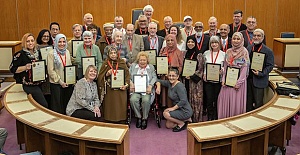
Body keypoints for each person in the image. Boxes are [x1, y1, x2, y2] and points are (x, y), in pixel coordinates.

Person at [9, 33, 48, 108]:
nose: (30, 43)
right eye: (28, 41)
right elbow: (12, 69)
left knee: (37, 104)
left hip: (40, 83)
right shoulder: (20, 55)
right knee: (44, 105)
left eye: (32, 41)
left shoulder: (38, 53)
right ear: (24, 42)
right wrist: (25, 67)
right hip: (29, 85)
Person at [217, 32, 249, 119]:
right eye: (234, 38)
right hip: (227, 82)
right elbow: (225, 66)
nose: (236, 41)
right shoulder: (228, 51)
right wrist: (223, 79)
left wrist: (238, 83)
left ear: (242, 40)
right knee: (223, 100)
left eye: (238, 39)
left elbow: (244, 70)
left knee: (236, 103)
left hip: (238, 84)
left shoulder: (244, 52)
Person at [97, 46, 130, 123]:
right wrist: (106, 74)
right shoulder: (105, 63)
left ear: (117, 54)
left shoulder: (122, 62)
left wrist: (126, 85)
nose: (113, 55)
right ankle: (109, 119)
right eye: (111, 53)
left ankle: (121, 119)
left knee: (120, 104)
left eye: (115, 53)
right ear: (108, 54)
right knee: (110, 105)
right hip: (109, 89)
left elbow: (127, 75)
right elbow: (100, 77)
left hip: (121, 88)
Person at [246, 29, 274, 112]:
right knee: (248, 103)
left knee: (258, 104)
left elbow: (270, 66)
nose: (256, 37)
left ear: (262, 37)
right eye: (254, 35)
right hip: (248, 79)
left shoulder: (268, 51)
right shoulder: (249, 48)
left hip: (259, 80)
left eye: (258, 36)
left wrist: (261, 73)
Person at [129, 52, 157, 130]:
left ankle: (144, 118)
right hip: (136, 89)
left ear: (147, 60)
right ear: (138, 60)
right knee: (133, 99)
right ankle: (138, 117)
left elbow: (155, 77)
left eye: (144, 60)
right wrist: (131, 83)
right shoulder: (133, 66)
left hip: (146, 90)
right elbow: (127, 76)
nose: (142, 62)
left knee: (146, 100)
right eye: (140, 60)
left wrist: (150, 85)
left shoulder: (150, 67)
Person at [47, 34, 73, 114]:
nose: (62, 44)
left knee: (66, 104)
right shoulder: (51, 54)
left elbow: (69, 66)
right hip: (57, 84)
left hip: (67, 83)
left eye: (64, 42)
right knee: (57, 107)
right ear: (55, 42)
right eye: (59, 42)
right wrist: (60, 82)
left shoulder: (67, 52)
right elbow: (51, 71)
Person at [203, 36, 226, 121]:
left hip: (218, 80)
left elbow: (225, 66)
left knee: (217, 100)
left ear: (219, 43)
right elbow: (204, 66)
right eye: (212, 43)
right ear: (210, 44)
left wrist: (222, 70)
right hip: (208, 80)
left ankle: (216, 117)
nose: (214, 44)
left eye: (216, 42)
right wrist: (204, 74)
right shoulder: (206, 53)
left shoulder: (223, 54)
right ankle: (210, 116)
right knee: (209, 99)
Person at [159, 34, 184, 108]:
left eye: (172, 40)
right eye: (168, 40)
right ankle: (165, 108)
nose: (170, 42)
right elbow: (159, 61)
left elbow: (181, 65)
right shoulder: (163, 50)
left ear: (175, 41)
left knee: (174, 94)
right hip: (165, 75)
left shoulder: (179, 52)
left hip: (174, 77)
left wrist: (176, 75)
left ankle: (173, 109)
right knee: (165, 94)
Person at [184, 37, 204, 122]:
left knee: (196, 100)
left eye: (192, 42)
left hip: (196, 83)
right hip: (186, 80)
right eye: (188, 42)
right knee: (187, 99)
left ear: (196, 43)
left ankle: (197, 119)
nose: (190, 43)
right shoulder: (185, 54)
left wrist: (191, 76)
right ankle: (188, 119)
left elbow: (201, 70)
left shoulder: (199, 55)